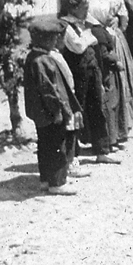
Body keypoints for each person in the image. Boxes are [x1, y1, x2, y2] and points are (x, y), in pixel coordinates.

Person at [58, 0, 118, 165]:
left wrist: (89, 36)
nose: (87, 11)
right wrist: (90, 37)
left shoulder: (84, 23)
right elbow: (78, 46)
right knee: (77, 111)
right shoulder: (66, 25)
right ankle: (73, 155)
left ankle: (102, 150)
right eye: (84, 7)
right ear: (73, 8)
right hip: (77, 73)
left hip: (92, 70)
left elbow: (93, 39)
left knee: (97, 109)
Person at [24, 19, 83, 196]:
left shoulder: (33, 57)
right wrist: (58, 110)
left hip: (40, 112)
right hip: (50, 112)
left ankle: (45, 179)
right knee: (57, 144)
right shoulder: (43, 60)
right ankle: (57, 182)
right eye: (52, 38)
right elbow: (49, 90)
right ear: (42, 39)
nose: (55, 41)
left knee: (45, 145)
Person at [87, 0, 133, 140]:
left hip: (91, 37)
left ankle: (97, 132)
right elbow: (125, 22)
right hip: (112, 38)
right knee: (117, 81)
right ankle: (119, 128)